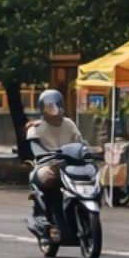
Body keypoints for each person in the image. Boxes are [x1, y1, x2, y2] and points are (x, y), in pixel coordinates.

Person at [27, 89, 84, 217]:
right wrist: (48, 156)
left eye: (57, 106)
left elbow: (79, 142)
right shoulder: (35, 128)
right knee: (46, 178)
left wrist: (86, 151)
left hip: (69, 165)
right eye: (49, 107)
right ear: (42, 109)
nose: (55, 110)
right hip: (47, 165)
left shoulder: (69, 124)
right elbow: (36, 149)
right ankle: (43, 215)